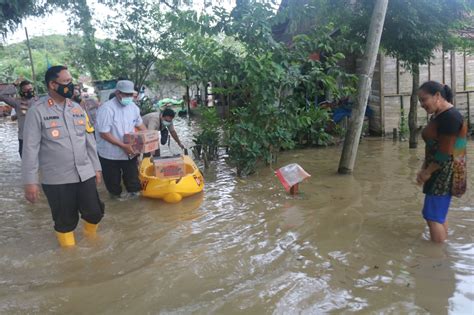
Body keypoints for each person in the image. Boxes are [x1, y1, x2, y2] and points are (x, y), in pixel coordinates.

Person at [22, 65, 104, 247]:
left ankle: (91, 240)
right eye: (66, 81)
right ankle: (70, 254)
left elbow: (89, 140)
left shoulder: (77, 109)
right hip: (57, 178)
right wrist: (30, 181)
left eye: (70, 81)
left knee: (95, 212)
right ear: (52, 84)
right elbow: (30, 149)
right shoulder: (37, 111)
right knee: (65, 221)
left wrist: (96, 168)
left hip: (85, 173)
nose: (71, 85)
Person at [416, 81, 467, 243]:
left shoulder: (450, 118)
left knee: (432, 216)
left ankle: (437, 258)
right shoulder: (440, 114)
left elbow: (445, 153)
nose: (422, 104)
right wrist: (424, 167)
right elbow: (435, 147)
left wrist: (427, 172)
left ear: (437, 96)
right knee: (437, 214)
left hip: (443, 172)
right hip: (437, 169)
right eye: (420, 101)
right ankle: (443, 251)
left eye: (424, 100)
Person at [95, 80, 147, 199]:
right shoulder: (107, 109)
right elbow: (104, 133)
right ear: (118, 93)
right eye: (126, 94)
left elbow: (140, 125)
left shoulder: (133, 107)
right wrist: (123, 146)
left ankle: (135, 208)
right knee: (113, 184)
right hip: (110, 154)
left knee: (133, 182)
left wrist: (149, 139)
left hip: (129, 152)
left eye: (131, 95)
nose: (129, 97)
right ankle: (115, 202)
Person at [0, 80, 37, 157]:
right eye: (27, 90)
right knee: (25, 162)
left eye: (31, 89)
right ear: (21, 92)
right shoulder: (17, 102)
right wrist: (13, 85)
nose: (30, 92)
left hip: (39, 137)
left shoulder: (39, 101)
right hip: (23, 138)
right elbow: (2, 95)